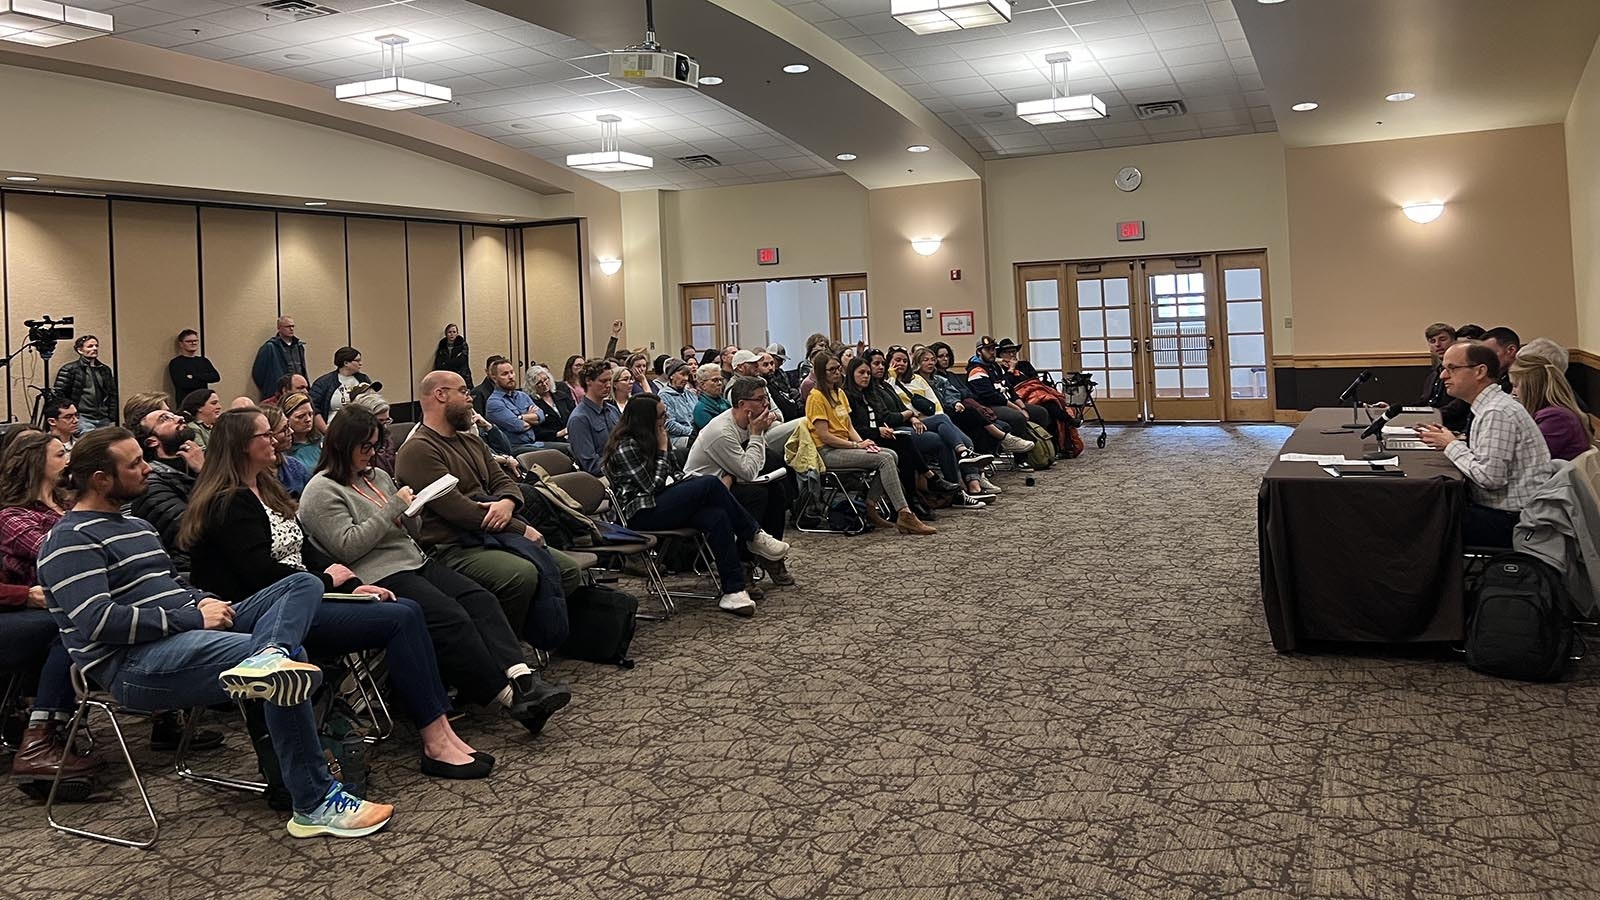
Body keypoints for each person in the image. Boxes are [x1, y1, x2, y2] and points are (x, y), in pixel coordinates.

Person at [40, 427, 395, 837]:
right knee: (289, 668)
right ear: (101, 479)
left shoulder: (136, 527)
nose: (148, 470)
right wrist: (194, 618)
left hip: (186, 633)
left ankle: (270, 654)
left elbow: (174, 585)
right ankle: (313, 802)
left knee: (305, 583)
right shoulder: (69, 540)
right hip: (133, 665)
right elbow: (99, 621)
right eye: (135, 464)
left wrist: (206, 602)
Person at [173, 408, 505, 778]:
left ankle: (442, 731)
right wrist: (330, 582)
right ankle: (436, 740)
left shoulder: (265, 487)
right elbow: (258, 574)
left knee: (405, 609)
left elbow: (304, 549)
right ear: (240, 447)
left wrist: (352, 584)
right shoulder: (228, 501)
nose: (275, 439)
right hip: (268, 615)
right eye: (264, 435)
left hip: (303, 595)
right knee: (403, 617)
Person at [301, 404, 569, 731]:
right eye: (365, 447)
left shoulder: (378, 477)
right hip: (378, 575)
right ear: (341, 444)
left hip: (414, 559)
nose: (371, 455)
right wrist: (392, 509)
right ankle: (510, 699)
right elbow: (346, 545)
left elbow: (404, 532)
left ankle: (523, 680)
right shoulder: (320, 490)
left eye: (375, 446)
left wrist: (411, 514)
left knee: (480, 599)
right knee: (450, 616)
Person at [395, 371, 585, 646]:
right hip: (453, 545)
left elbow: (505, 482)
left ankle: (522, 638)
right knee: (521, 575)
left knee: (567, 570)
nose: (470, 398)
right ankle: (494, 648)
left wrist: (507, 503)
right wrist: (520, 527)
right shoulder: (418, 450)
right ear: (440, 395)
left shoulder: (471, 441)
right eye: (463, 391)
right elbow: (460, 511)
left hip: (495, 533)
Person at [604, 395, 790, 617]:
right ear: (646, 419)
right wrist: (663, 450)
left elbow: (674, 474)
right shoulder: (627, 445)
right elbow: (650, 486)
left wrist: (683, 480)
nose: (667, 418)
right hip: (642, 513)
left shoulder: (655, 436)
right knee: (710, 483)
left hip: (664, 501)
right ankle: (754, 536)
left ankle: (734, 590)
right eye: (662, 415)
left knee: (716, 515)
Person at [0, 431, 103, 797]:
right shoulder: (12, 516)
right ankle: (41, 741)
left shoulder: (66, 506)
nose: (70, 458)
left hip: (58, 604)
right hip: (23, 612)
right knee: (71, 625)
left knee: (86, 616)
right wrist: (23, 595)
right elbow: (63, 552)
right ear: (35, 464)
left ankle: (53, 736)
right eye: (61, 453)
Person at [1416, 342, 1554, 547]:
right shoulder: (1491, 406)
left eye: (1451, 368)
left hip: (1513, 519)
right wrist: (1451, 441)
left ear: (1480, 371)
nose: (1443, 376)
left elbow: (1491, 479)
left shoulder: (1496, 412)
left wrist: (1451, 445)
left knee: (1423, 520)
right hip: (1507, 511)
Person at [803, 350, 934, 535]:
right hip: (827, 451)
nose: (837, 372)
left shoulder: (838, 393)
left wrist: (864, 443)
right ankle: (904, 514)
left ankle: (871, 506)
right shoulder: (816, 397)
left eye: (838, 368)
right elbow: (825, 436)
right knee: (885, 459)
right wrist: (857, 446)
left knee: (891, 455)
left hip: (844, 445)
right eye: (831, 369)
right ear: (821, 373)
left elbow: (848, 427)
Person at [684, 376, 795, 587]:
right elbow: (749, 471)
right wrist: (757, 433)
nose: (766, 404)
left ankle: (771, 557)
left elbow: (755, 463)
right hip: (703, 492)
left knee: (776, 490)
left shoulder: (748, 421)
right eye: (760, 399)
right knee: (756, 495)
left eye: (766, 398)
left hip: (728, 480)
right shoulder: (722, 431)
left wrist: (755, 436)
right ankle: (744, 562)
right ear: (743, 404)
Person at [845, 357, 963, 517]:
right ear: (851, 374)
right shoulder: (847, 396)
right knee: (905, 446)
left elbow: (881, 417)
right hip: (862, 439)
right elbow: (852, 428)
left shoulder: (871, 393)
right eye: (861, 373)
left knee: (905, 442)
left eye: (867, 373)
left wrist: (894, 424)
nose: (866, 376)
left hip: (878, 434)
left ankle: (916, 496)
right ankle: (925, 485)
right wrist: (880, 430)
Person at [129, 407, 207, 572]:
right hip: (190, 569)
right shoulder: (149, 485)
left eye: (174, 414)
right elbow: (192, 532)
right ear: (152, 441)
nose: (179, 418)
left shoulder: (194, 466)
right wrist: (205, 473)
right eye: (165, 419)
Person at [965, 337, 1045, 465]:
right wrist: (1018, 409)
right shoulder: (976, 370)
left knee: (1040, 412)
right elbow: (991, 396)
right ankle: (1021, 459)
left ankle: (1041, 452)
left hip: (1007, 402)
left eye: (993, 349)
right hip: (991, 406)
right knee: (1017, 417)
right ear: (979, 352)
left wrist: (1021, 405)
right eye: (988, 349)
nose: (992, 352)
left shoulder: (996, 367)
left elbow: (1010, 388)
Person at [1508, 352, 1595, 462]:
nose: (1512, 392)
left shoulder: (1557, 418)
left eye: (1515, 386)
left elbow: (1526, 457)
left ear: (1531, 388)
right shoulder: (1553, 414)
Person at [484, 359, 563, 455]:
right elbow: (519, 426)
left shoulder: (522, 395)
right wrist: (531, 419)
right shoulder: (494, 403)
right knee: (553, 454)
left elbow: (541, 416)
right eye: (505, 374)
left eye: (512, 372)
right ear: (494, 378)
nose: (510, 377)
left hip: (534, 443)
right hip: (515, 448)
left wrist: (521, 417)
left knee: (568, 448)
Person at [566, 360, 621, 476]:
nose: (608, 385)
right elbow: (591, 464)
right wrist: (622, 465)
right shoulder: (579, 419)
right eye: (603, 381)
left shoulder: (612, 410)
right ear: (588, 381)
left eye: (609, 380)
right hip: (602, 477)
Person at [51, 335, 117, 431]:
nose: (95, 348)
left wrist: (112, 415)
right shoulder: (70, 369)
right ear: (80, 350)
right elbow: (59, 395)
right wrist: (71, 415)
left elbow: (112, 394)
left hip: (103, 418)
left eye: (96, 346)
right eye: (90, 346)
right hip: (82, 417)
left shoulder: (104, 369)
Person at [309, 346, 375, 434]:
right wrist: (326, 431)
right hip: (333, 428)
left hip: (360, 428)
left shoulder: (363, 379)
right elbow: (314, 408)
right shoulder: (324, 383)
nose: (361, 363)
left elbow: (373, 401)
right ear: (346, 363)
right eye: (357, 360)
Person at [1420, 323, 1471, 432]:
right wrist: (1397, 411)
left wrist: (1426, 417)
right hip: (1432, 425)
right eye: (1432, 341)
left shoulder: (1463, 370)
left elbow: (1459, 406)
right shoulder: (1434, 374)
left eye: (1442, 339)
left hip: (1454, 429)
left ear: (1454, 341)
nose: (1437, 344)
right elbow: (1424, 402)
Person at [252, 316, 309, 399]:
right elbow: (258, 373)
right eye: (288, 326)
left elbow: (302, 369)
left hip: (298, 392)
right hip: (277, 394)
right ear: (279, 328)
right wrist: (270, 387)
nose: (291, 329)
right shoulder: (270, 347)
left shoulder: (299, 346)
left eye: (293, 326)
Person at [260, 406, 311, 497]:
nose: (291, 431)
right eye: (284, 430)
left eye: (289, 426)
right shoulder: (253, 476)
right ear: (268, 435)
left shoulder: (295, 467)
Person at [168, 329, 220, 403]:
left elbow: (215, 377)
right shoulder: (176, 363)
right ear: (181, 344)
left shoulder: (203, 361)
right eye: (189, 341)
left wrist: (194, 376)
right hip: (186, 402)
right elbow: (183, 384)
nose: (193, 343)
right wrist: (204, 378)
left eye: (195, 341)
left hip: (204, 402)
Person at [658, 358, 697, 448]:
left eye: (687, 375)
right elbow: (669, 424)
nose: (686, 378)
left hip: (696, 434)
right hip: (676, 439)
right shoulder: (664, 396)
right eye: (682, 375)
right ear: (671, 376)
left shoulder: (690, 394)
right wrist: (692, 432)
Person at [280, 391, 322, 471]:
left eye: (310, 414)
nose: (308, 419)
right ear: (286, 419)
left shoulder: (322, 442)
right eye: (301, 416)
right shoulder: (282, 449)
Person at [1482, 326, 1521, 394]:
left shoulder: (1525, 378)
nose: (1485, 358)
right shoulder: (1494, 377)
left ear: (1511, 350)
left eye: (1490, 353)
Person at [692, 363, 729, 431]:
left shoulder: (725, 402)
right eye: (715, 380)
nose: (720, 383)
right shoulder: (701, 409)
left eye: (721, 379)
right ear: (703, 385)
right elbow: (713, 433)